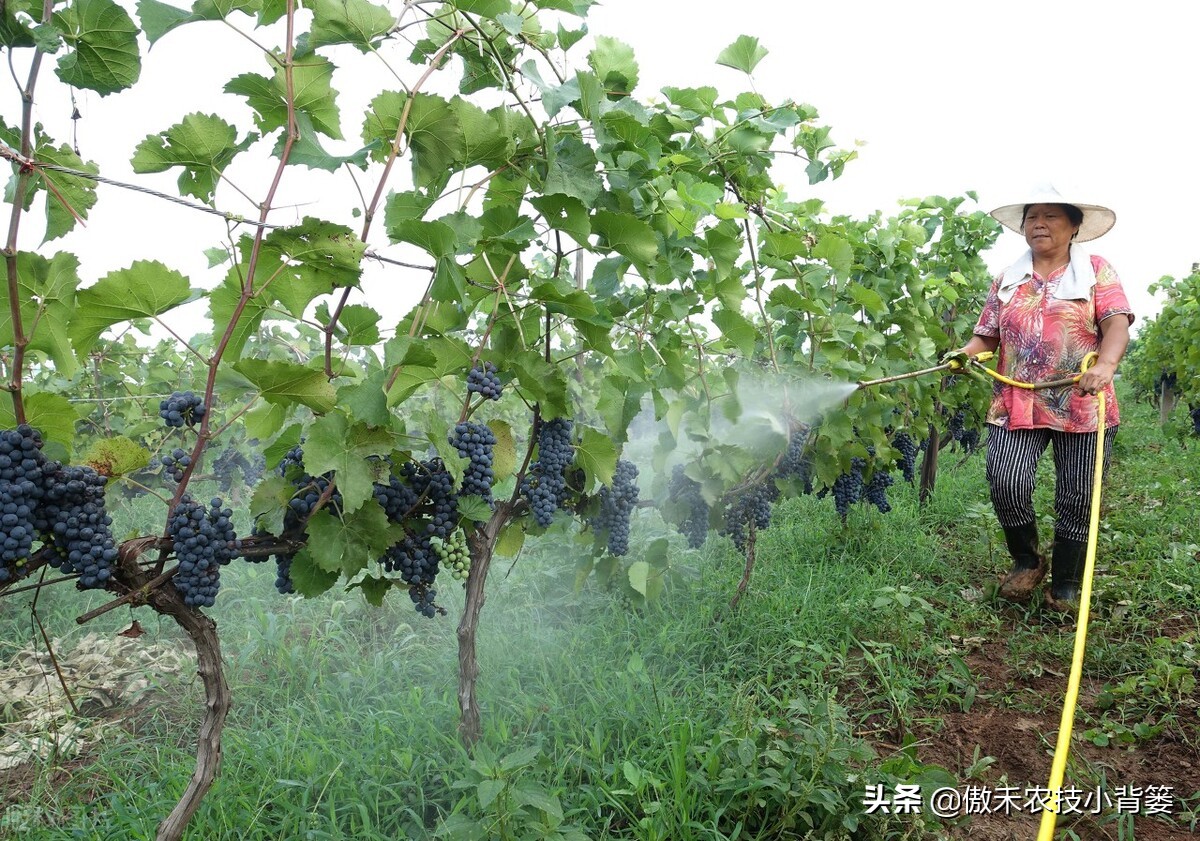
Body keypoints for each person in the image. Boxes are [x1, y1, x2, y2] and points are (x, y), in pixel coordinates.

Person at [946, 185, 1133, 613]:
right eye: (1032, 217)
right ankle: (1027, 561)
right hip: (1017, 401)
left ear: (1074, 227)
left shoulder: (1097, 271)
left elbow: (1117, 325)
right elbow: (985, 336)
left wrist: (1103, 367)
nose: (1039, 224)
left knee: (1078, 495)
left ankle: (1066, 582)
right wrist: (964, 355)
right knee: (1006, 481)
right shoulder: (1008, 279)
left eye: (1050, 216)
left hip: (1083, 403)